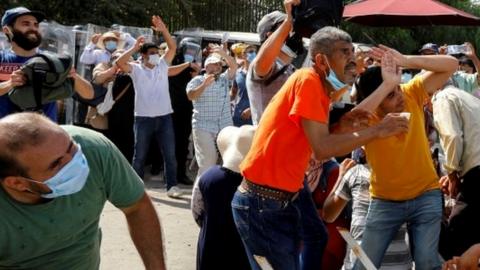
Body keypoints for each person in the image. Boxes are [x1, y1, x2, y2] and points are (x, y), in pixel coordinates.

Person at [231, 26, 409, 270]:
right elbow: (323, 149)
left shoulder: (320, 87)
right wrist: (378, 131)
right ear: (321, 60)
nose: (352, 60)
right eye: (344, 53)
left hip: (285, 193)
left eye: (352, 52)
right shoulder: (308, 81)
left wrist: (386, 88)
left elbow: (323, 142)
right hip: (264, 201)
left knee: (317, 236)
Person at [0, 112, 166, 269]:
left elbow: (137, 207)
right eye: (57, 163)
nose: (74, 161)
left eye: (71, 147)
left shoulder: (93, 149)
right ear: (17, 183)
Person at [352, 45, 458, 270]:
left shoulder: (411, 93)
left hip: (426, 195)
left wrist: (406, 59)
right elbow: (349, 123)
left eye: (398, 88)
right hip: (384, 201)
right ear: (375, 97)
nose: (399, 96)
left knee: (427, 263)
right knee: (363, 265)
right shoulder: (366, 118)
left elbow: (452, 64)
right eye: (391, 94)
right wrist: (387, 85)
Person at [116, 15, 182, 198]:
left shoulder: (162, 66)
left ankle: (172, 186)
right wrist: (134, 47)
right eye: (151, 53)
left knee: (169, 154)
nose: (155, 55)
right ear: (143, 55)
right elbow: (119, 63)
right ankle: (136, 187)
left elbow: (172, 47)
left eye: (156, 52)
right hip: (143, 118)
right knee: (140, 155)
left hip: (165, 117)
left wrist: (164, 30)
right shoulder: (135, 69)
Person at [0, 6, 94, 121]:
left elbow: (89, 94)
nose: (33, 28)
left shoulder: (52, 60)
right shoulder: (2, 58)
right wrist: (10, 84)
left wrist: (73, 75)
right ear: (7, 30)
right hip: (6, 133)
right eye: (25, 24)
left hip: (44, 134)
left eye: (35, 24)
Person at [323, 151, 413, 270]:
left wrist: (341, 176)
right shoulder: (410, 177)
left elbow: (328, 215)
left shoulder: (356, 174)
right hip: (398, 264)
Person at [192, 125, 254, 270]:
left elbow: (196, 210)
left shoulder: (209, 176)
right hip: (242, 249)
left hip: (211, 242)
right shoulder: (254, 184)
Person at [432, 85, 480, 259]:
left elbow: (452, 136)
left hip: (476, 174)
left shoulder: (442, 97)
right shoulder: (470, 100)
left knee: (453, 243)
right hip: (473, 173)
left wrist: (452, 175)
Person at [186, 46, 237, 181]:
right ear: (206, 67)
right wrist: (204, 85)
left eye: (218, 65)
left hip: (225, 126)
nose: (216, 67)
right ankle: (200, 194)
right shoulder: (197, 80)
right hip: (203, 126)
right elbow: (191, 96)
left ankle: (220, 191)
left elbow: (233, 66)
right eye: (212, 65)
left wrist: (222, 53)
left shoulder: (225, 79)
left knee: (230, 161)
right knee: (207, 163)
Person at [246, 0, 299, 125]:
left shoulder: (291, 69)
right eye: (287, 28)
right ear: (271, 35)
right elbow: (262, 62)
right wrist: (288, 21)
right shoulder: (260, 66)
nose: (292, 31)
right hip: (269, 141)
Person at [231, 44, 255, 126]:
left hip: (254, 117)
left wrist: (251, 110)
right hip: (238, 115)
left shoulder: (260, 73)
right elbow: (233, 93)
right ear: (243, 55)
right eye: (251, 52)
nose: (254, 54)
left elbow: (266, 97)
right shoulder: (238, 73)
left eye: (254, 52)